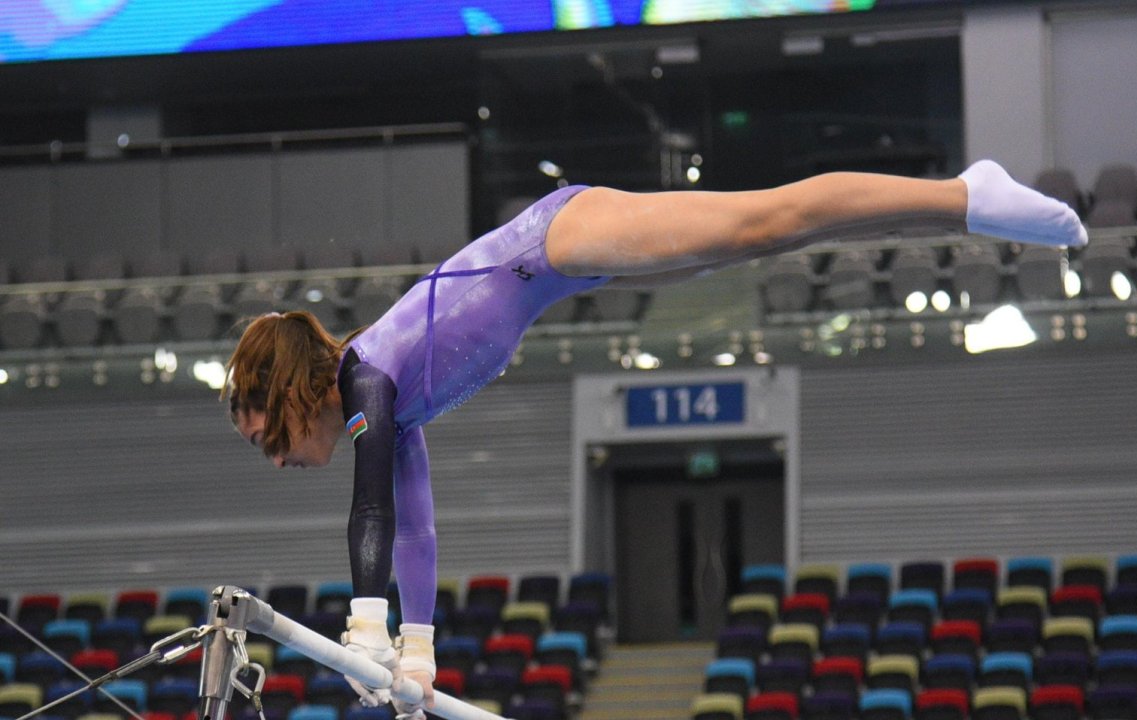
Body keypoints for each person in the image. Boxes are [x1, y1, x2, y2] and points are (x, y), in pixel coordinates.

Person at [223, 159, 1086, 716]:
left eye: (270, 440)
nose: (280, 460)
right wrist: (416, 657)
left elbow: (369, 509)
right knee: (768, 235)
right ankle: (958, 200)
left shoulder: (367, 379)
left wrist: (367, 631)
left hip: (554, 240)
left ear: (296, 391)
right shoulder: (387, 405)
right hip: (565, 261)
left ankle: (969, 196)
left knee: (770, 218)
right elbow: (411, 525)